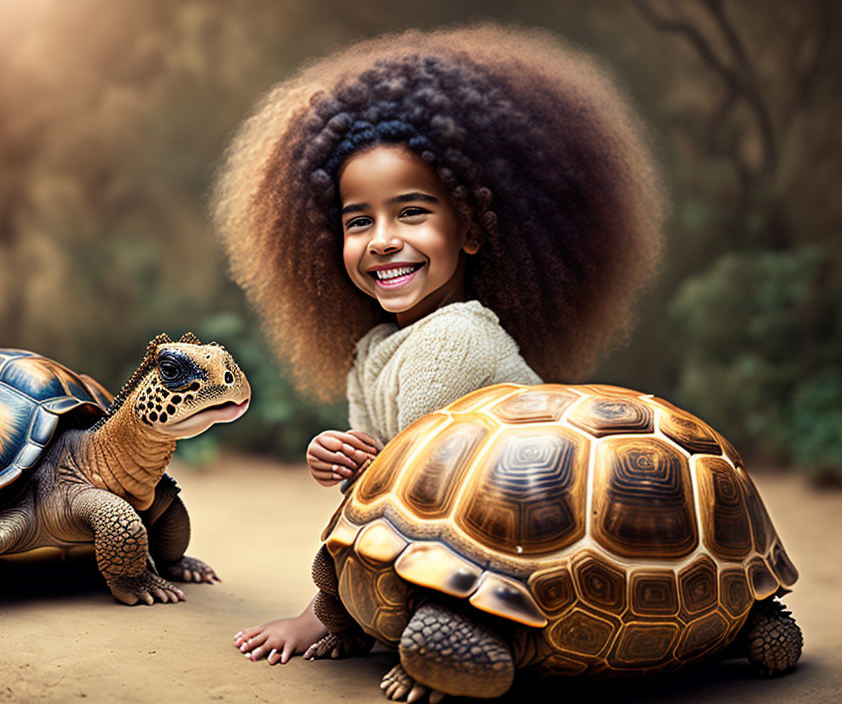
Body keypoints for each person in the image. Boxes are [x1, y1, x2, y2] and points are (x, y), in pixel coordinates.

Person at [209, 24, 665, 667]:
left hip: (520, 555)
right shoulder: (374, 350)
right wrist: (339, 459)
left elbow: (410, 505)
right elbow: (373, 489)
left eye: (412, 212)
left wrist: (316, 612)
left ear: (471, 229)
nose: (383, 239)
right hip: (452, 545)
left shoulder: (455, 339)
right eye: (358, 220)